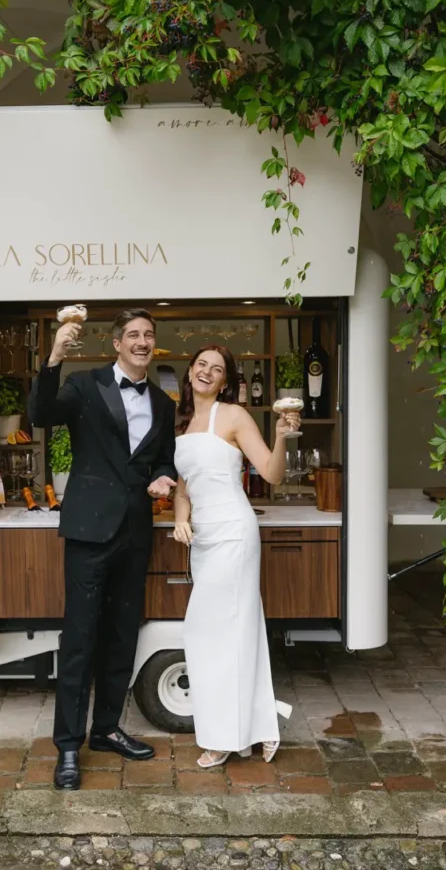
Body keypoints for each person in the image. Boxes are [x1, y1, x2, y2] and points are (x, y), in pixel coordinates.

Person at [29, 309, 177, 790]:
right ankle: (68, 747)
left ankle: (108, 727)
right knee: (80, 639)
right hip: (90, 531)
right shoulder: (85, 386)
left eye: (148, 335)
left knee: (121, 635)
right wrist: (53, 356)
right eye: (133, 335)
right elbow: (39, 415)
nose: (141, 341)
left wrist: (162, 477)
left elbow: (164, 458)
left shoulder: (162, 401)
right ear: (117, 343)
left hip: (135, 533)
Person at [172, 345, 298, 768]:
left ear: (226, 381)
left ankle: (227, 736)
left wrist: (281, 436)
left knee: (216, 632)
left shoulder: (234, 416)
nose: (207, 372)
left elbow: (272, 473)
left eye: (218, 369)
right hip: (204, 540)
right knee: (225, 632)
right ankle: (258, 726)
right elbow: (184, 487)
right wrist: (180, 519)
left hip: (234, 533)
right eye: (202, 364)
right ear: (190, 371)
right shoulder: (181, 422)